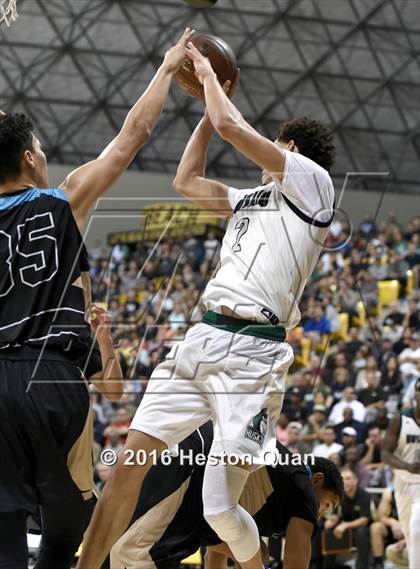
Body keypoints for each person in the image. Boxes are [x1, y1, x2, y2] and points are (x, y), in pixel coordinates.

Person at [77, 42, 335, 568]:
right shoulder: (252, 198)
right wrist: (206, 106)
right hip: (202, 338)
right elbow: (186, 180)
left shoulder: (314, 186)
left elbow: (233, 129)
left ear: (287, 149)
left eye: (277, 149)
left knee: (220, 510)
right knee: (129, 462)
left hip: (254, 354)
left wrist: (209, 77)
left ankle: (255, 564)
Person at [0, 28, 195, 569]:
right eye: (39, 149)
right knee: (67, 525)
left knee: (6, 524)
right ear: (28, 158)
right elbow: (134, 134)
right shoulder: (62, 199)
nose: (45, 156)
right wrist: (164, 66)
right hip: (50, 376)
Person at [109, 423, 343, 569]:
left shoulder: (275, 486)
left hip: (189, 456)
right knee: (136, 556)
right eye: (328, 504)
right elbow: (295, 563)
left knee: (256, 550)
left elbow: (216, 545)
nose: (321, 512)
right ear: (318, 480)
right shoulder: (303, 489)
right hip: (197, 463)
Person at [382, 377, 420, 569]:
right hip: (404, 482)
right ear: (416, 395)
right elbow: (385, 454)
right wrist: (407, 466)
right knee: (410, 533)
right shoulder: (400, 419)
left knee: (416, 527)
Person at [323, 469, 372, 569]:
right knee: (325, 528)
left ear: (356, 480)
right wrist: (331, 520)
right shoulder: (340, 495)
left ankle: (362, 567)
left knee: (361, 532)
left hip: (362, 529)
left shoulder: (364, 495)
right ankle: (323, 565)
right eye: (342, 479)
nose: (345, 482)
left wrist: (345, 525)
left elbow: (364, 520)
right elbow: (336, 515)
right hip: (344, 528)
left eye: (348, 479)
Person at [370, 487, 404, 569]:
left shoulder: (416, 492)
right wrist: (393, 522)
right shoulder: (389, 492)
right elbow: (381, 516)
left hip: (411, 527)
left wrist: (403, 526)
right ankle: (378, 563)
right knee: (376, 527)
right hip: (392, 528)